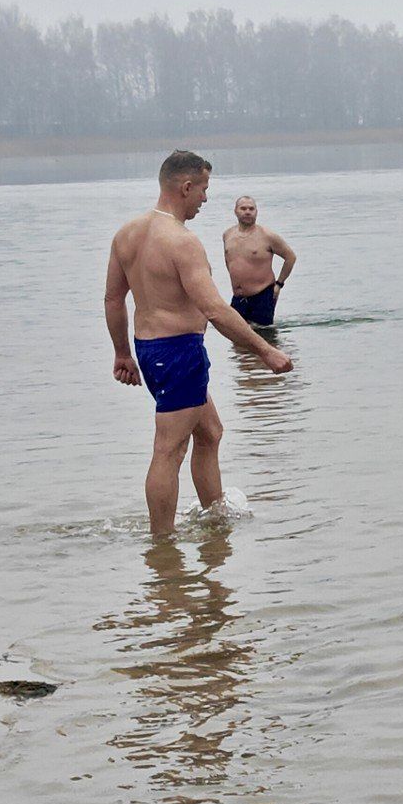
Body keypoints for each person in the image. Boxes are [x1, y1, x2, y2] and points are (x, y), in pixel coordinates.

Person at [105, 151, 293, 536]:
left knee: (210, 433)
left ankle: (215, 518)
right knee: (169, 449)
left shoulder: (127, 233)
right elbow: (214, 308)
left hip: (151, 349)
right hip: (177, 352)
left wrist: (122, 352)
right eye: (204, 189)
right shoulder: (182, 241)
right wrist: (266, 351)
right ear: (185, 187)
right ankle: (162, 542)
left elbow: (113, 298)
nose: (206, 199)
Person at [223, 196, 297, 328]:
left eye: (251, 209)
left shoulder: (267, 236)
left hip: (262, 295)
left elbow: (290, 257)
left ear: (256, 212)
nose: (247, 212)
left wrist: (279, 284)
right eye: (243, 208)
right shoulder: (227, 235)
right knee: (236, 337)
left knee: (264, 339)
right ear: (235, 211)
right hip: (238, 297)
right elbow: (229, 260)